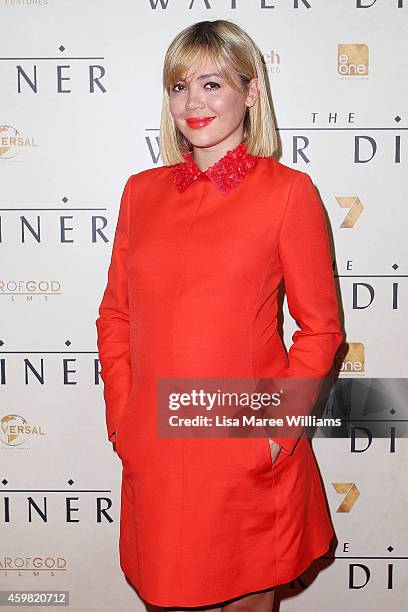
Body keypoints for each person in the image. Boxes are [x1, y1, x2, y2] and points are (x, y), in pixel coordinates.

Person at [95, 19, 344, 612]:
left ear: (250, 91)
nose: (193, 103)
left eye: (212, 84)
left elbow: (322, 329)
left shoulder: (287, 192)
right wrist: (124, 421)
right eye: (179, 87)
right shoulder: (140, 193)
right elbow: (116, 317)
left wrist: (276, 435)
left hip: (245, 451)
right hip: (154, 448)